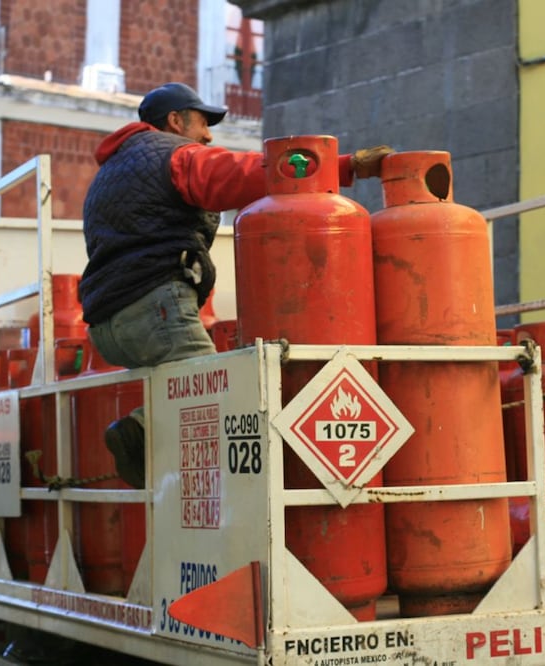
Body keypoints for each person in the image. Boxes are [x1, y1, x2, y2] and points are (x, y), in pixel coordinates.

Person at [79, 81, 392, 489]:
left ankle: (155, 452)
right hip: (156, 308)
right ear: (175, 121)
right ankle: (141, 430)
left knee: (184, 393)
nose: (209, 135)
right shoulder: (173, 156)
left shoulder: (106, 176)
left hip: (107, 324)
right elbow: (234, 175)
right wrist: (343, 167)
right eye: (202, 123)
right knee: (218, 390)